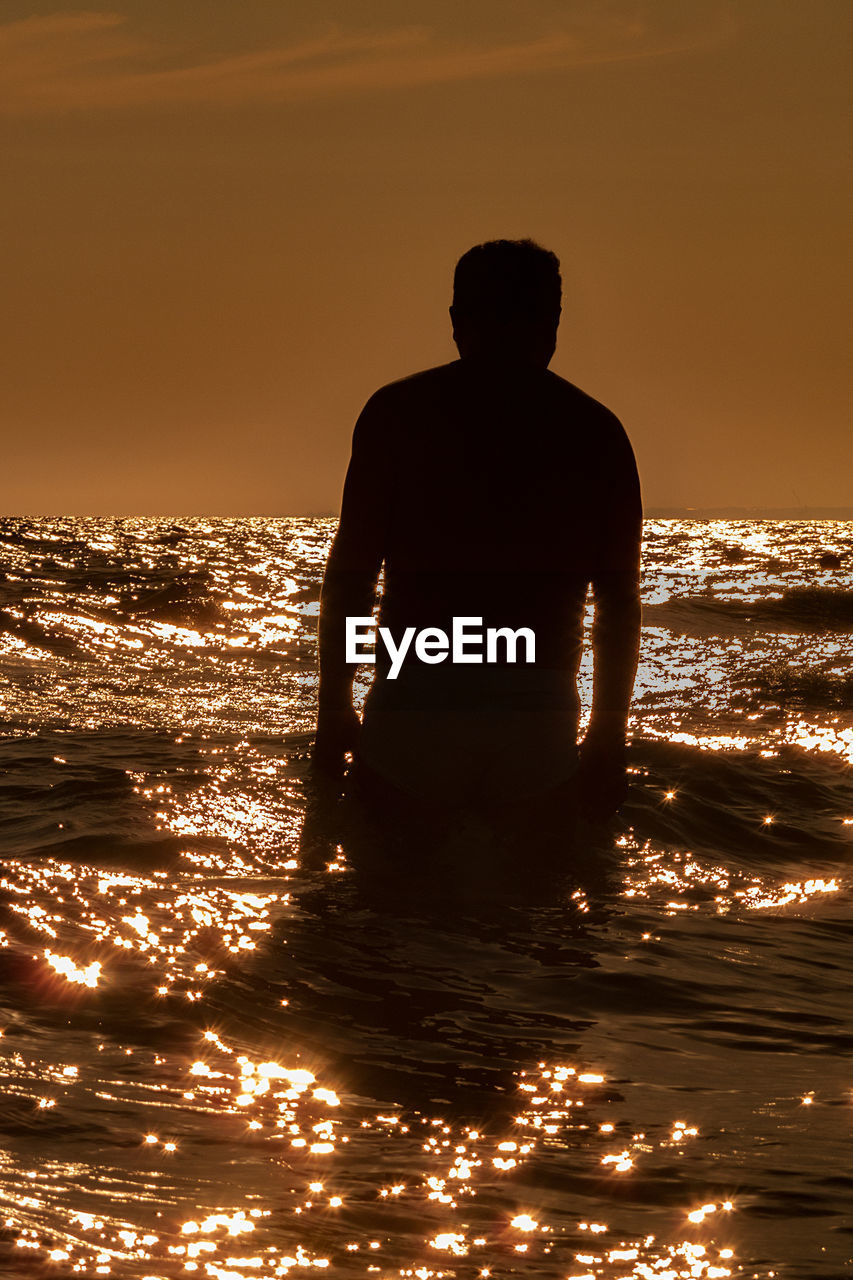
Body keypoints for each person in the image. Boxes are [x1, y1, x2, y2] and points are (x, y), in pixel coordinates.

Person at [313, 239, 641, 825]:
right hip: (537, 709)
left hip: (418, 696)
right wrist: (607, 738)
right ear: (552, 323)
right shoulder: (594, 432)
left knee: (386, 902)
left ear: (459, 321)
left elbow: (353, 577)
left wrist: (334, 707)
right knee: (527, 905)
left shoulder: (398, 415)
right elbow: (617, 604)